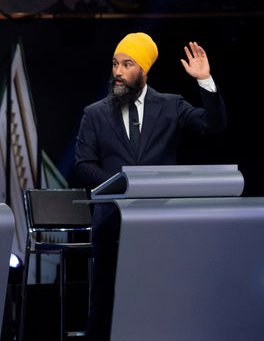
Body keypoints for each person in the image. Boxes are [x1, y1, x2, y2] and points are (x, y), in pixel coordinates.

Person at [73, 32, 227, 340]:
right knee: (104, 304)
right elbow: (83, 165)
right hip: (112, 223)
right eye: (115, 63)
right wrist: (123, 186)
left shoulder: (171, 106)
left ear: (144, 70)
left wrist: (205, 81)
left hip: (161, 224)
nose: (118, 72)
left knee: (161, 301)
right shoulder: (95, 113)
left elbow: (215, 125)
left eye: (127, 64)